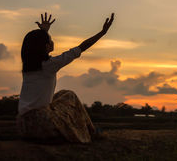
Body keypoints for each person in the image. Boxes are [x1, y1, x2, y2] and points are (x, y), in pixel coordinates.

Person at [17, 12, 114, 143]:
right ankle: (91, 132)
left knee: (62, 95)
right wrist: (102, 33)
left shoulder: (29, 66)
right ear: (46, 46)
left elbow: (35, 46)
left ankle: (86, 131)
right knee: (70, 96)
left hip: (23, 124)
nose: (52, 41)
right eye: (50, 40)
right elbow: (81, 47)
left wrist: (44, 31)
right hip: (40, 122)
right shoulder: (50, 65)